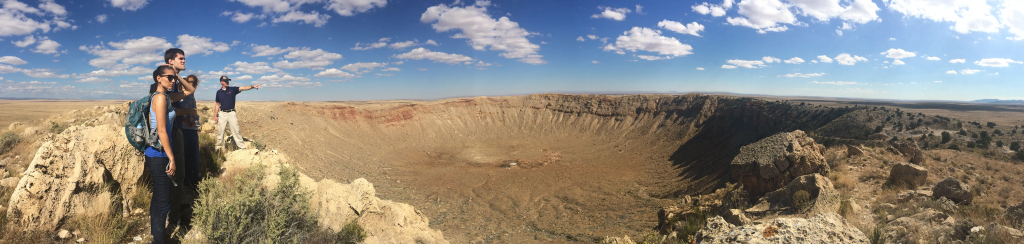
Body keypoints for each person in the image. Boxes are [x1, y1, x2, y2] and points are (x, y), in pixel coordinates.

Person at [146, 64, 194, 244]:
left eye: (174, 78)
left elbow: (190, 90)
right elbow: (162, 131)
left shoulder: (166, 96)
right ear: (158, 78)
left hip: (158, 154)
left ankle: (156, 236)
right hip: (159, 156)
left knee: (158, 199)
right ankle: (158, 241)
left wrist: (176, 74)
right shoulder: (159, 98)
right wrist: (172, 158)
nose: (173, 81)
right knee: (163, 203)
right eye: (169, 77)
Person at [214, 75, 262, 151]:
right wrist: (215, 115)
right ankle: (218, 149)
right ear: (221, 82)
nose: (227, 82)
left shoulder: (232, 89)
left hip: (231, 113)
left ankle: (242, 148)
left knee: (236, 131)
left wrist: (252, 86)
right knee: (220, 131)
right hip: (222, 114)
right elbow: (217, 104)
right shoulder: (218, 92)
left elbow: (243, 88)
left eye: (228, 81)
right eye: (225, 81)